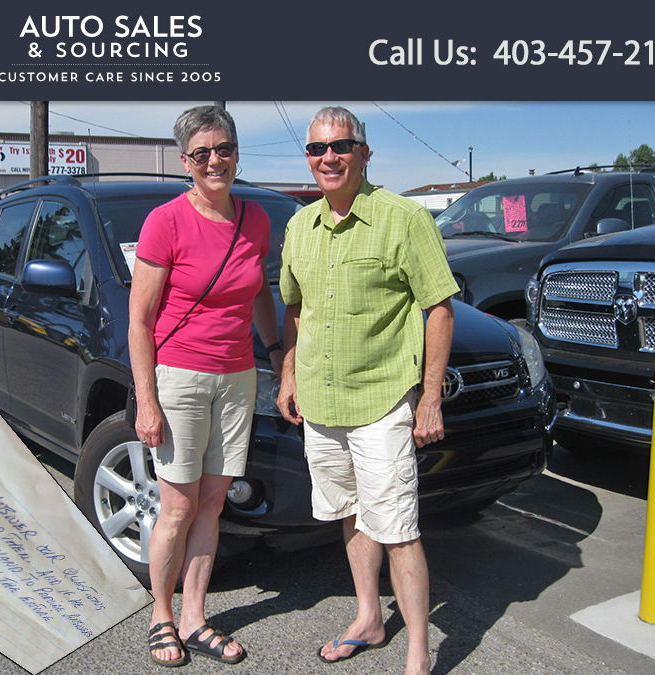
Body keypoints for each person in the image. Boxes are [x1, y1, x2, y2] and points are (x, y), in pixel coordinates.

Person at [277, 107, 458, 675]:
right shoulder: (299, 227)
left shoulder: (403, 219)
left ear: (364, 153)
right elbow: (295, 308)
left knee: (398, 528)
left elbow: (439, 308)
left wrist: (429, 398)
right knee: (351, 515)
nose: (328, 158)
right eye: (316, 149)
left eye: (341, 146)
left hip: (382, 402)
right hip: (322, 405)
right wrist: (289, 375)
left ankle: (417, 655)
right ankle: (369, 618)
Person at [129, 105, 283, 667]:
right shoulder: (165, 222)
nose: (214, 161)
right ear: (185, 161)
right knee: (177, 507)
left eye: (223, 149)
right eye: (202, 153)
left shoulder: (257, 220)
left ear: (237, 152)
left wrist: (274, 351)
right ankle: (161, 616)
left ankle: (195, 617)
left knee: (213, 504)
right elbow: (139, 320)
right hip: (181, 378)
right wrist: (147, 400)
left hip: (237, 376)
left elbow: (261, 293)